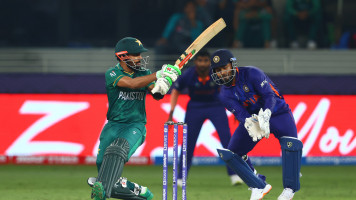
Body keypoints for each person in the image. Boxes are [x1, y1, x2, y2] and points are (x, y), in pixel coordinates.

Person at [87, 37, 181, 200]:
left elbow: (156, 93)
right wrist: (159, 74)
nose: (140, 58)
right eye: (136, 54)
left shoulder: (144, 74)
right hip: (112, 126)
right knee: (104, 174)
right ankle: (137, 190)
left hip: (135, 126)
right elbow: (132, 84)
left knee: (118, 150)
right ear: (123, 56)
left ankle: (100, 197)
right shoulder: (112, 73)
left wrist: (166, 81)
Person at [210, 49, 303, 200]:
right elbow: (241, 114)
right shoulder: (224, 94)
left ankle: (289, 190)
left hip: (278, 113)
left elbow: (269, 96)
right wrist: (249, 123)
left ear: (233, 64)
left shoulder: (252, 73)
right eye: (218, 70)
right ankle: (257, 184)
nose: (222, 73)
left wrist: (266, 114)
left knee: (291, 146)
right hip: (255, 119)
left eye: (224, 67)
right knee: (232, 153)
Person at [168, 49, 243, 186]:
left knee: (227, 141)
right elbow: (175, 91)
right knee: (188, 144)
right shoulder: (189, 74)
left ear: (210, 62)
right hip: (195, 108)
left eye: (205, 61)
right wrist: (171, 112)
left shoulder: (216, 72)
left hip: (216, 106)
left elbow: (228, 90)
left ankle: (234, 175)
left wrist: (236, 111)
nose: (203, 64)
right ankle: (180, 177)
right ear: (195, 61)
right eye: (200, 60)